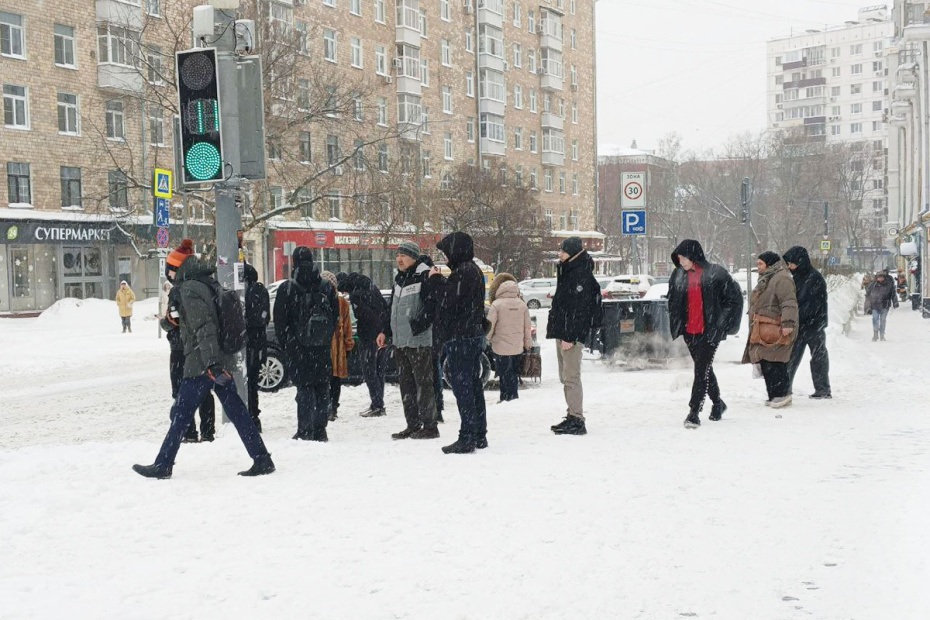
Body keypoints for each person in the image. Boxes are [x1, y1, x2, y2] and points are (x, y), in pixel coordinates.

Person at [133, 239, 274, 479]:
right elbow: (192, 322)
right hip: (217, 359)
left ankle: (163, 464)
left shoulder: (188, 289)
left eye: (169, 269)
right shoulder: (206, 282)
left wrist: (211, 363)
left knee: (181, 414)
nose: (168, 274)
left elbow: (204, 326)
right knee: (237, 412)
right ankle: (262, 458)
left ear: (176, 268)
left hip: (202, 363)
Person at [667, 240, 743, 429]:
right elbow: (672, 298)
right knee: (705, 368)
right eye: (679, 258)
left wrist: (721, 324)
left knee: (701, 370)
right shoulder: (678, 275)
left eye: (683, 258)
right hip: (689, 330)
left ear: (694, 256)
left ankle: (694, 412)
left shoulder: (716, 273)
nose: (681, 261)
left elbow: (733, 300)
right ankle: (718, 403)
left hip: (709, 331)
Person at [427, 232, 488, 454]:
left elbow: (448, 300)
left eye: (446, 252)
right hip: (472, 335)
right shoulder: (471, 270)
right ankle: (479, 433)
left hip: (461, 337)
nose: (444, 258)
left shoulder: (463, 272)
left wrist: (435, 280)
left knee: (463, 388)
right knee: (472, 386)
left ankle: (468, 436)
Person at [274, 247, 339, 441]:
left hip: (298, 347)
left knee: (304, 389)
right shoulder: (326, 286)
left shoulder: (287, 288)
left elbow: (280, 320)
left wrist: (288, 342)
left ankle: (305, 429)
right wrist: (325, 336)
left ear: (294, 262)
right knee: (322, 387)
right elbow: (334, 316)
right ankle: (320, 429)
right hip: (321, 346)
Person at [382, 242, 440, 440]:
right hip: (400, 341)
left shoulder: (424, 276)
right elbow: (392, 309)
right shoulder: (399, 279)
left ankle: (430, 426)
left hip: (419, 342)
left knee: (423, 385)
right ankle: (413, 424)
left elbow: (433, 307)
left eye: (403, 255)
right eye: (397, 255)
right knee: (406, 385)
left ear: (414, 257)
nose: (399, 259)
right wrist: (385, 331)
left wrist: (418, 326)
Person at [546, 237, 602, 436]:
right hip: (564, 332)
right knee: (566, 376)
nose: (560, 254)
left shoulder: (579, 275)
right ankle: (572, 415)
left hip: (570, 334)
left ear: (573, 253)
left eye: (563, 251)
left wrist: (570, 336)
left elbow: (579, 310)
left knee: (571, 377)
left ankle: (577, 419)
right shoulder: (569, 271)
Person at [160, 276, 216, 443]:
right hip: (201, 347)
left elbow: (173, 320)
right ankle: (207, 432)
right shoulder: (205, 287)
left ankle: (189, 432)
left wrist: (165, 323)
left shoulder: (178, 291)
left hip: (180, 348)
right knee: (204, 390)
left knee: (181, 392)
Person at [743, 252, 798, 409]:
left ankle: (781, 394)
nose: (758, 267)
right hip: (765, 328)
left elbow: (788, 302)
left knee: (776, 361)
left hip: (776, 327)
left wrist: (788, 323)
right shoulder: (768, 277)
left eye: (760, 264)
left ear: (769, 264)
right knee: (766, 361)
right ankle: (774, 395)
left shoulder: (781, 279)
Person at [783, 246, 831, 400]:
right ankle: (785, 388)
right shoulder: (798, 277)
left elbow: (812, 304)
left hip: (813, 326)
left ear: (800, 262)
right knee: (792, 358)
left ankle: (822, 389)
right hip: (803, 325)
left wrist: (800, 317)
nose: (790, 267)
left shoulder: (813, 278)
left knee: (817, 357)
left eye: (792, 263)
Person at [339, 272, 390, 417]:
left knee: (369, 371)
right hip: (382, 334)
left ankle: (377, 405)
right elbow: (383, 309)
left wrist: (368, 331)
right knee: (379, 371)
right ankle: (379, 404)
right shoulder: (371, 287)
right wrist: (382, 330)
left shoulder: (356, 294)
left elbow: (365, 316)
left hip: (369, 337)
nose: (343, 293)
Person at [487, 273, 533, 402]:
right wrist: (527, 342)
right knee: (513, 372)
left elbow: (490, 325)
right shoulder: (522, 305)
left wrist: (487, 339)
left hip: (500, 346)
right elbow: (527, 327)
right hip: (517, 346)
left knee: (503, 373)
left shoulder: (496, 305)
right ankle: (513, 396)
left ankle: (504, 396)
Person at [321, 271, 354, 422]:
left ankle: (332, 407)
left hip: (336, 346)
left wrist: (348, 344)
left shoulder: (342, 303)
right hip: (326, 345)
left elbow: (347, 326)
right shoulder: (320, 299)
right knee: (329, 379)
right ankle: (328, 406)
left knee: (334, 379)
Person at [242, 263, 270, 432]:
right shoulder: (261, 291)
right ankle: (254, 416)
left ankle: (249, 417)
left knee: (247, 383)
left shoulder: (248, 292)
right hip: (258, 344)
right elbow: (265, 318)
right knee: (252, 383)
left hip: (248, 344)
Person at [864, 270, 898, 341]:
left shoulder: (889, 285)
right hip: (874, 305)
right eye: (879, 277)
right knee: (875, 319)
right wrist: (868, 306)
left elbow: (893, 294)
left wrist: (895, 302)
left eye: (882, 277)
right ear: (876, 278)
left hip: (885, 305)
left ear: (884, 277)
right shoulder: (873, 285)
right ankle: (875, 334)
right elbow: (868, 295)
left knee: (883, 320)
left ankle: (882, 335)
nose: (880, 279)